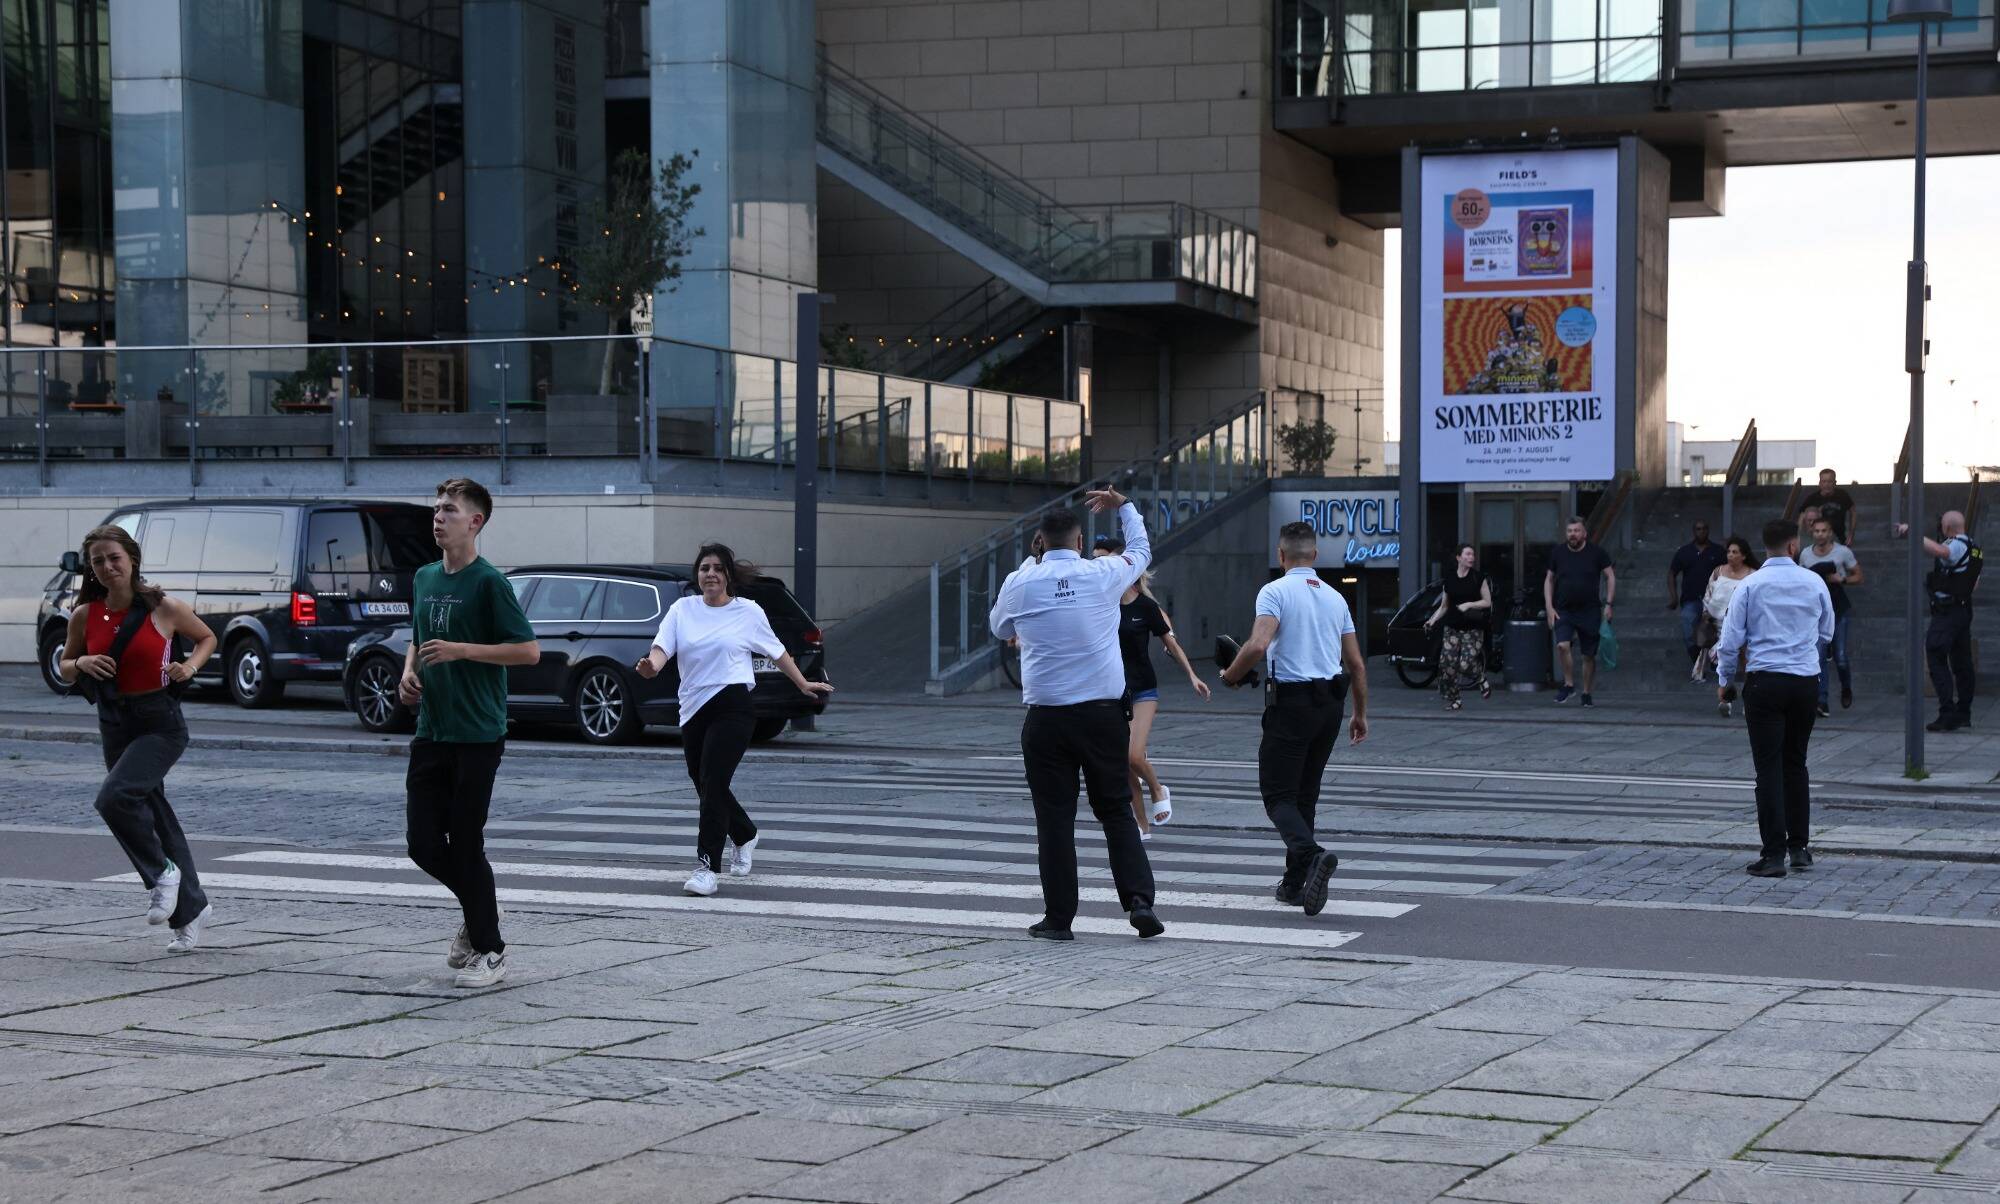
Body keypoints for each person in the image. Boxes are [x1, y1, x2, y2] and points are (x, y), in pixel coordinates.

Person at [989, 487, 1163, 941]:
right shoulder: (1103, 573)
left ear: (1041, 542)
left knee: (1054, 820)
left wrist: (1032, 563)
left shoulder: (1020, 582)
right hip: (1103, 717)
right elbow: (1142, 550)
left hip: (1047, 720)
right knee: (1116, 809)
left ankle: (1059, 919)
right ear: (1081, 542)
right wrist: (1125, 506)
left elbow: (999, 627)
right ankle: (1139, 901)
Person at [398, 478, 541, 989]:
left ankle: (491, 949)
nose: (438, 517)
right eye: (436, 509)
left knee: (465, 843)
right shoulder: (424, 577)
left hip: (478, 732)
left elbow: (528, 651)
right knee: (421, 843)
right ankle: (481, 914)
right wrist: (408, 673)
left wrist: (462, 650)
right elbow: (418, 638)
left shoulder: (489, 583)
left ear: (475, 522)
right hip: (431, 729)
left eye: (449, 510)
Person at [637, 544, 834, 895]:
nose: (710, 574)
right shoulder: (682, 610)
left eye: (718, 568)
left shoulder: (747, 611)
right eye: (704, 568)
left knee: (713, 782)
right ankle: (744, 833)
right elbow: (661, 649)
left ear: (728, 574)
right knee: (703, 781)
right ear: (697, 575)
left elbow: (776, 651)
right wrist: (651, 666)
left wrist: (802, 682)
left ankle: (706, 869)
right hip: (693, 708)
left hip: (733, 706)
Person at [58, 525, 219, 951]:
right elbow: (65, 666)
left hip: (159, 722)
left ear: (131, 558)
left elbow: (206, 637)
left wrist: (190, 667)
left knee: (114, 798)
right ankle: (191, 912)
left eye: (114, 557)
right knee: (155, 813)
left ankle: (163, 874)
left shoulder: (163, 607)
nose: (107, 566)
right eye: (97, 561)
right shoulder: (84, 614)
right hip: (113, 721)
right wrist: (82, 662)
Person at [1219, 521, 1370, 918]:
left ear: (1281, 555)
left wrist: (1230, 676)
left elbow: (1258, 645)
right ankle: (1294, 883)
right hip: (1330, 708)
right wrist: (1360, 713)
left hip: (1292, 705)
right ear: (1315, 555)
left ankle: (1312, 855)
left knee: (1278, 796)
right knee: (1305, 796)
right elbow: (1356, 663)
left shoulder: (1275, 591)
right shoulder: (1336, 598)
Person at [1714, 519, 1834, 878]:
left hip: (1765, 682)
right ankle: (1799, 849)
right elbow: (1826, 631)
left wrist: (1725, 680)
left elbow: (1730, 640)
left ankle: (1773, 855)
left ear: (1764, 547)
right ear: (1794, 546)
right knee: (1796, 764)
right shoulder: (1814, 582)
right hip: (1804, 682)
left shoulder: (1750, 585)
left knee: (1768, 769)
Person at [1092, 535, 1210, 839]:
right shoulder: (1102, 605)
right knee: (1123, 764)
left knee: (1134, 755)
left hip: (1143, 690)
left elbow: (1171, 643)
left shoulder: (1145, 606)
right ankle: (1142, 825)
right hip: (1113, 692)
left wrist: (1192, 675)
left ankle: (1158, 788)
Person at [1897, 510, 1981, 732]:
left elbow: (1941, 551)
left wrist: (1913, 532)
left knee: (1935, 653)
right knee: (1962, 662)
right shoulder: (1974, 548)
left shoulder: (1955, 545)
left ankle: (1948, 713)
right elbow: (1974, 583)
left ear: (1947, 528)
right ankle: (1963, 713)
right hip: (1962, 610)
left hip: (1948, 613)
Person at [1543, 516, 1615, 706]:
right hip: (1563, 610)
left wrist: (1609, 604)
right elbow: (1549, 580)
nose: (1572, 534)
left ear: (1584, 533)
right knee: (1562, 646)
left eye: (1576, 531)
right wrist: (1549, 607)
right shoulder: (1558, 553)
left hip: (1590, 611)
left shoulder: (1597, 553)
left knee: (1588, 656)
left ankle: (1586, 693)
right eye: (1569, 531)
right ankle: (1568, 685)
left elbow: (1610, 576)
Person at [1799, 517, 1863, 716]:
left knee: (1840, 656)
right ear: (1812, 532)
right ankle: (1822, 700)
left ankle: (1846, 687)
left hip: (1837, 608)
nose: (1820, 534)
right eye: (1816, 531)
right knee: (1818, 657)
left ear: (1831, 533)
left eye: (1824, 531)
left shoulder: (1842, 552)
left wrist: (1842, 579)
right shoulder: (1806, 554)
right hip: (1815, 611)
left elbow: (1859, 576)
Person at [1424, 543, 1493, 710]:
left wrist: (1469, 604)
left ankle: (1480, 678)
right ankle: (1455, 700)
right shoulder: (1449, 579)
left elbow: (1487, 602)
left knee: (1465, 664)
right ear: (1458, 558)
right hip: (1452, 628)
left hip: (1473, 629)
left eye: (1472, 554)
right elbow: (1444, 606)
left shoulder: (1478, 577)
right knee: (1447, 666)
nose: (1471, 557)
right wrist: (1432, 621)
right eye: (1467, 554)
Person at [1702, 536, 1758, 709]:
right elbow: (1709, 592)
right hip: (1720, 624)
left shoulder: (1753, 575)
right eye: (1729, 552)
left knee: (1746, 662)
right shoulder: (1718, 571)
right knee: (1725, 662)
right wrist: (1706, 614)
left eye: (1735, 552)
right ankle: (1725, 699)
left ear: (1744, 555)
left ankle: (1749, 701)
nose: (1730, 555)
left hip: (1744, 625)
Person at [1667, 521, 1726, 679]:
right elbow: (1671, 573)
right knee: (1688, 627)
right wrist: (1673, 596)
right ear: (1693, 531)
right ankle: (1697, 661)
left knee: (1718, 632)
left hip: (1714, 600)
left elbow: (1728, 572)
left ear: (1708, 530)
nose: (1701, 531)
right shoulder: (1684, 552)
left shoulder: (1718, 551)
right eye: (1698, 529)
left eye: (1704, 528)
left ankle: (1714, 661)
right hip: (1691, 599)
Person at [1799, 469, 1858, 545]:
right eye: (1824, 481)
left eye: (1830, 481)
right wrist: (1800, 535)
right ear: (1819, 483)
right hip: (1818, 540)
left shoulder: (1842, 495)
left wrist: (1851, 534)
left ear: (1835, 483)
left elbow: (1853, 512)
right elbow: (1802, 516)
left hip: (1839, 538)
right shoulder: (1812, 498)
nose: (1826, 484)